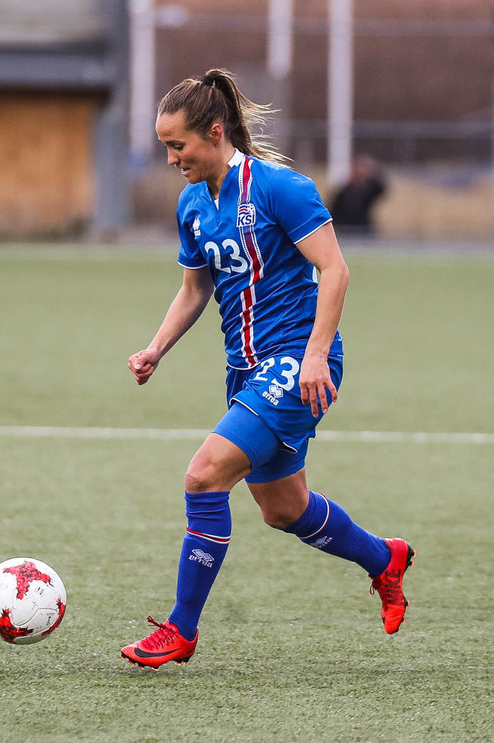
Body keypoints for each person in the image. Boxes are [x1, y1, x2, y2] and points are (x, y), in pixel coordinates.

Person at [120, 69, 413, 670]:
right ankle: (384, 559)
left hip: (298, 363)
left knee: (203, 477)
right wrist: (156, 348)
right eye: (165, 147)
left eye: (177, 145)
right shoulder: (192, 203)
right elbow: (195, 288)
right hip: (245, 372)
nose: (171, 158)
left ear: (214, 132)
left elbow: (335, 270)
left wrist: (314, 355)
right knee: (284, 509)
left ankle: (180, 630)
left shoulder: (281, 188)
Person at [330, 153, 388, 236]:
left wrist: (373, 171)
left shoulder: (367, 191)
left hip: (363, 231)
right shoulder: (343, 192)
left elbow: (381, 188)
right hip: (344, 232)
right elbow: (333, 210)